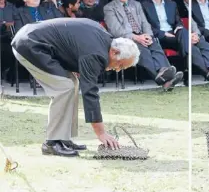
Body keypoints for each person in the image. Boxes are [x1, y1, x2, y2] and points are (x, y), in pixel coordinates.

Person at [11, 18, 140, 157]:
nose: (117, 69)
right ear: (114, 52)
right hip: (29, 44)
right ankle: (52, 143)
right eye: (120, 65)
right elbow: (90, 92)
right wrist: (101, 133)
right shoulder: (96, 54)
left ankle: (63, 138)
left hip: (34, 39)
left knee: (73, 84)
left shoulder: (105, 40)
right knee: (64, 88)